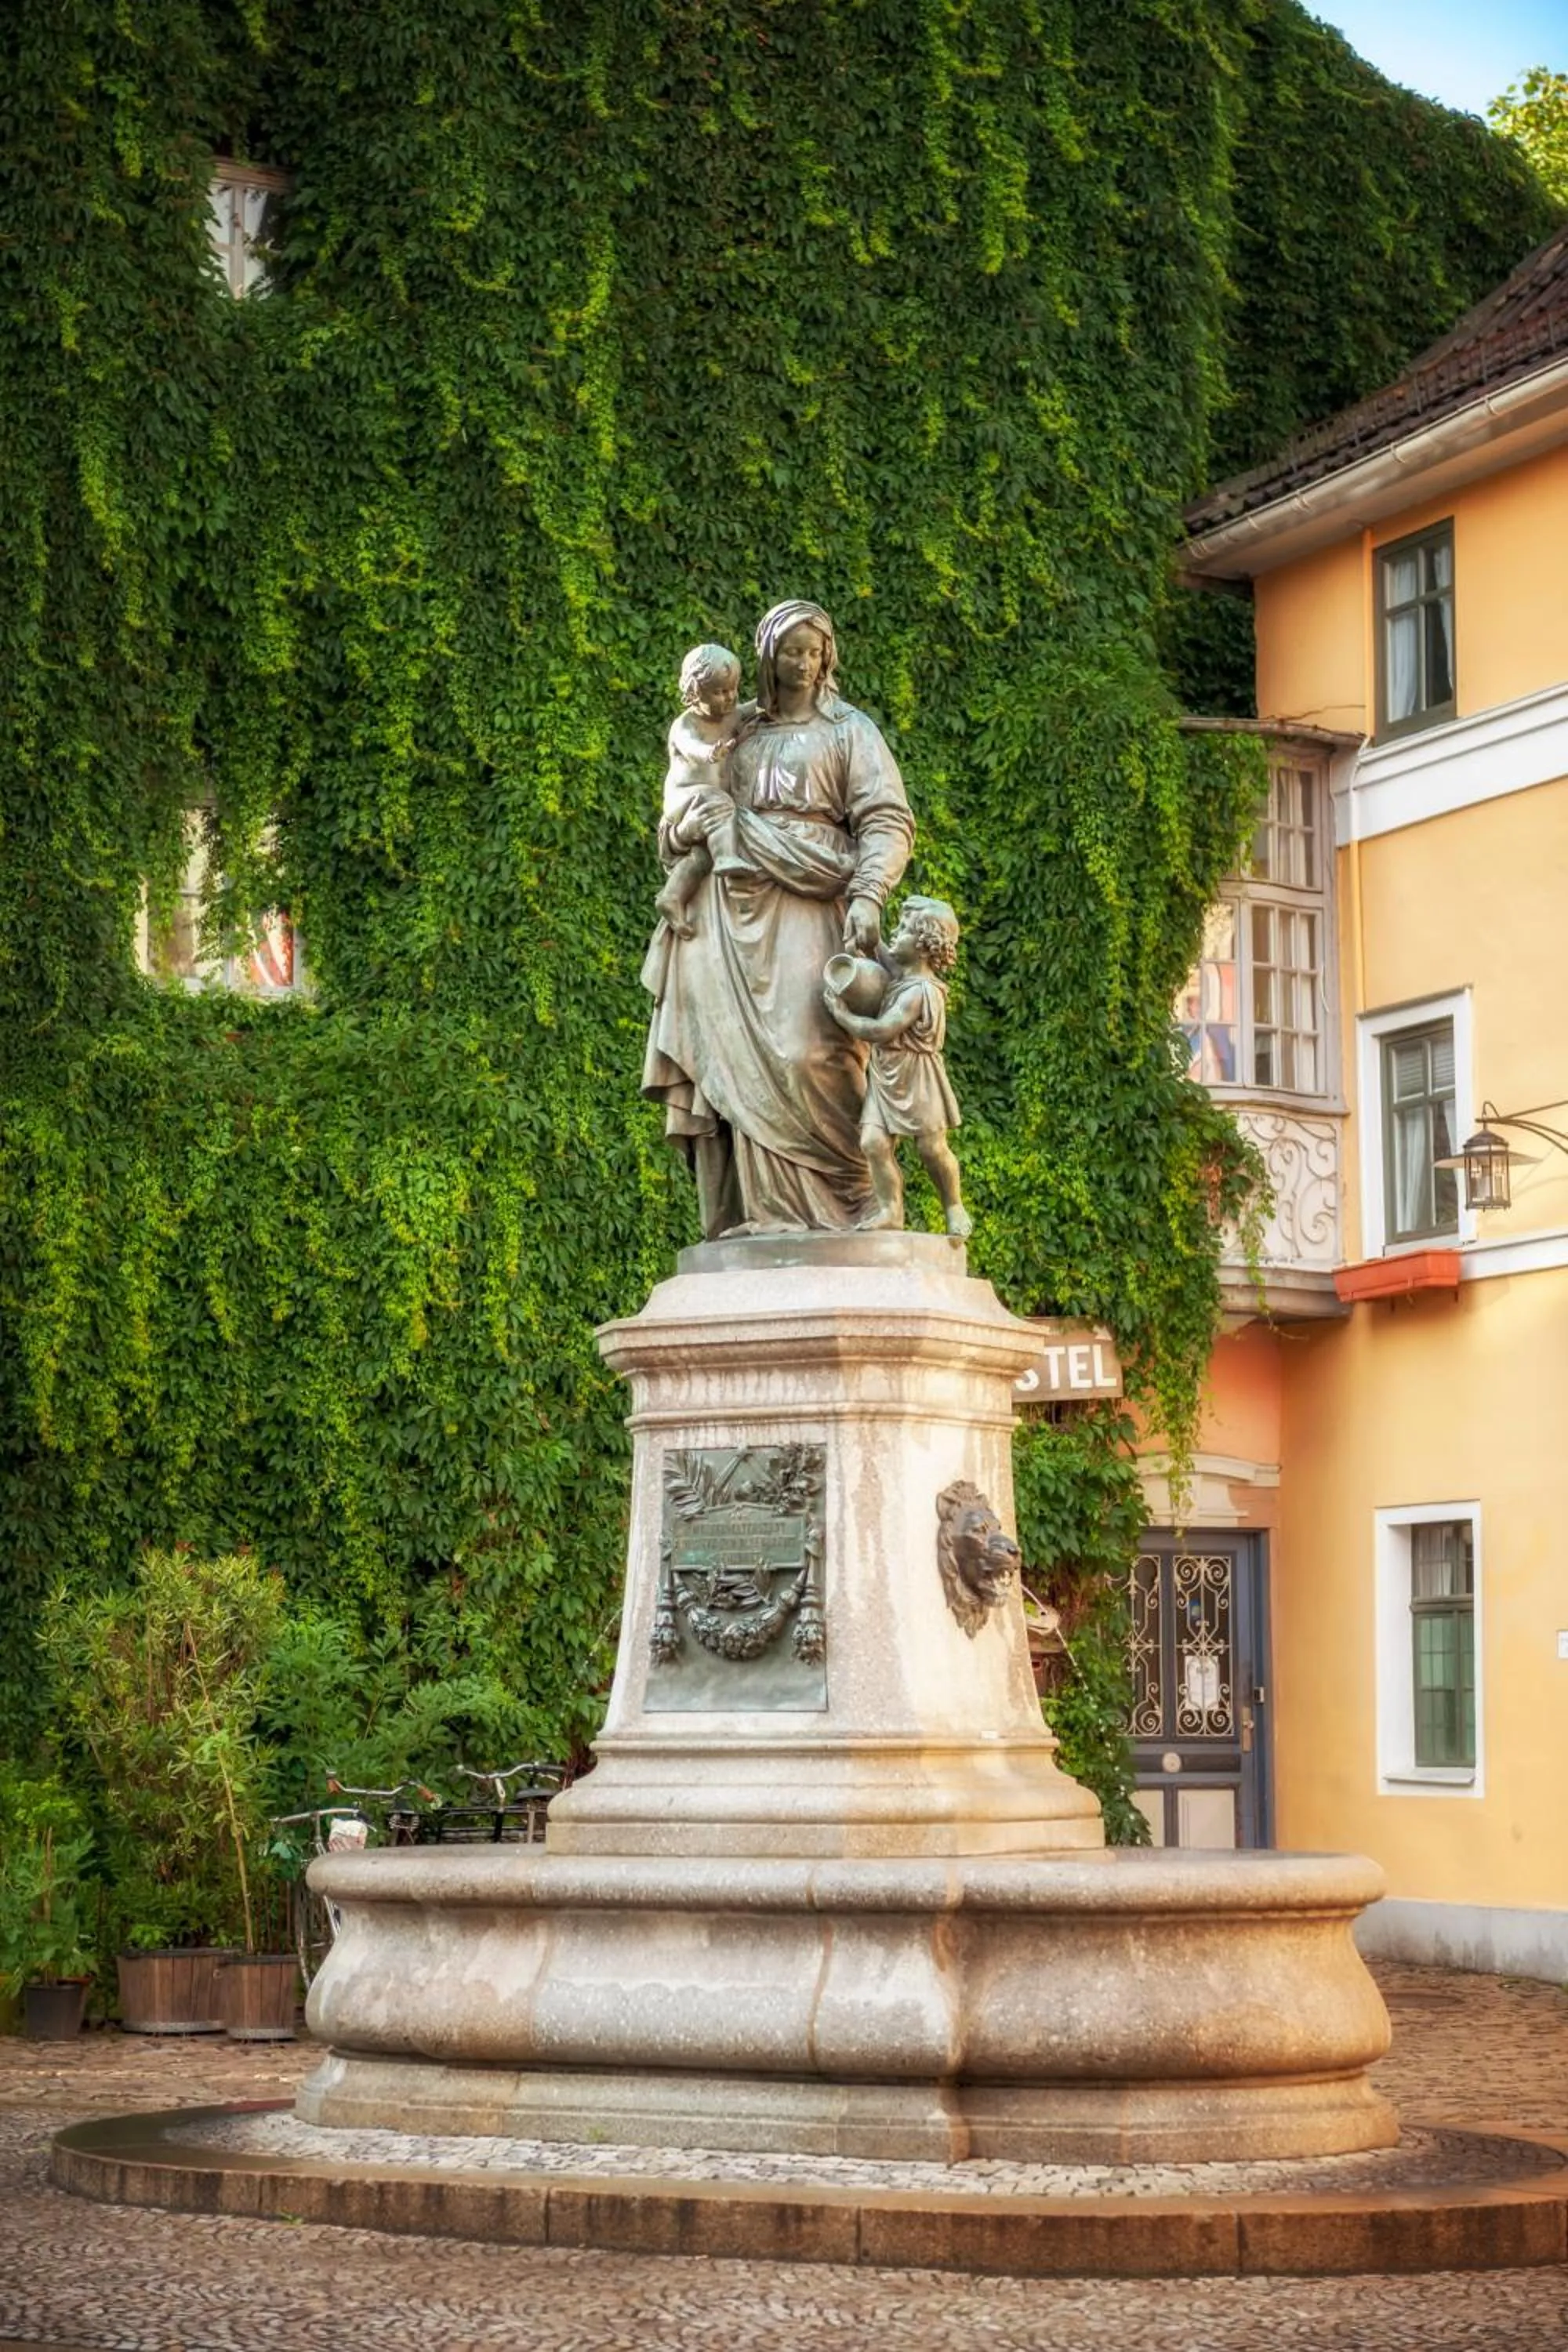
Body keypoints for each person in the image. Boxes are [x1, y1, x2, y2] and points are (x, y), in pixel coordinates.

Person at [641, 600, 914, 1237]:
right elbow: (684, 808)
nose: (803, 664)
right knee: (732, 1061)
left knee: (811, 1052)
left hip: (814, 899)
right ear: (768, 658)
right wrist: (684, 825)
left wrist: (870, 892)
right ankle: (764, 1216)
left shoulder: (849, 730)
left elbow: (886, 820)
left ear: (828, 657)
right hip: (730, 917)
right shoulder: (739, 729)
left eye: (814, 652)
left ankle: (854, 1204)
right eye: (791, 652)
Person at [823, 896, 971, 1239]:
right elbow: (882, 954)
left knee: (932, 1148)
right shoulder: (901, 975)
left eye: (904, 929)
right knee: (873, 1143)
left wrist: (842, 1015)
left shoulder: (920, 991)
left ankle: (953, 1206)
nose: (896, 932)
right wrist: (865, 933)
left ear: (923, 947)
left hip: (919, 1077)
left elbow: (880, 1030)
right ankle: (890, 1211)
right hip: (886, 1074)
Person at [652, 643, 746, 940]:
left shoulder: (731, 715)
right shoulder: (686, 724)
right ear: (695, 693)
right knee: (718, 802)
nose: (729, 697)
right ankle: (728, 859)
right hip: (685, 798)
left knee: (700, 858)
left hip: (711, 806)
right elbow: (690, 746)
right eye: (720, 692)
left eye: (733, 689)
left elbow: (756, 707)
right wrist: (710, 752)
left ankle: (672, 897)